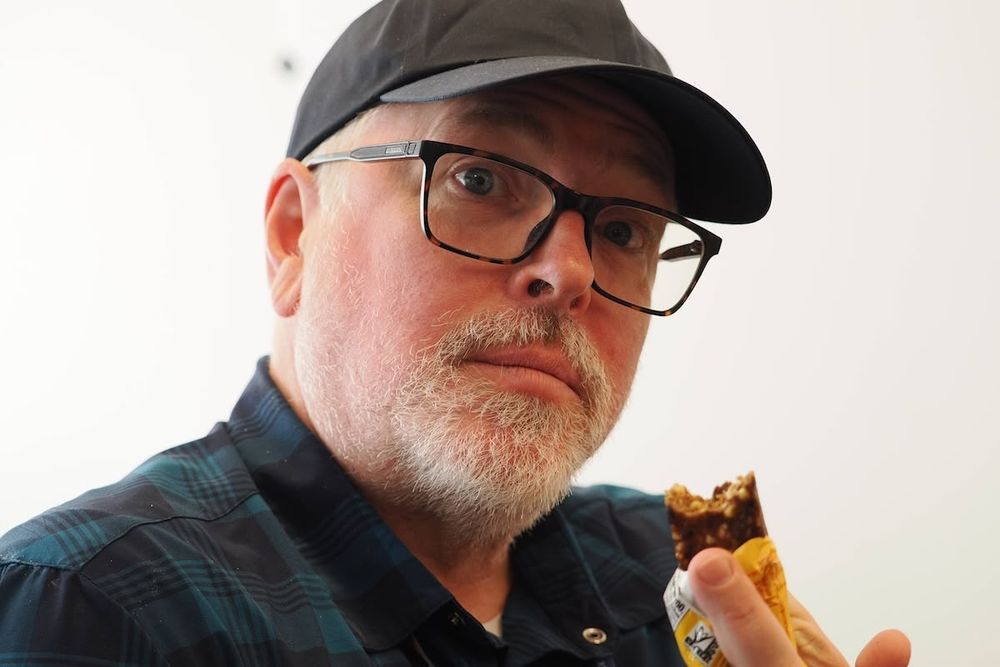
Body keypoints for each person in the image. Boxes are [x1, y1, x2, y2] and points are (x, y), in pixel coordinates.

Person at [0, 0, 910, 665]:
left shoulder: (669, 575)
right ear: (293, 234)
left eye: (626, 228)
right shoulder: (86, 610)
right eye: (480, 179)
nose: (573, 272)